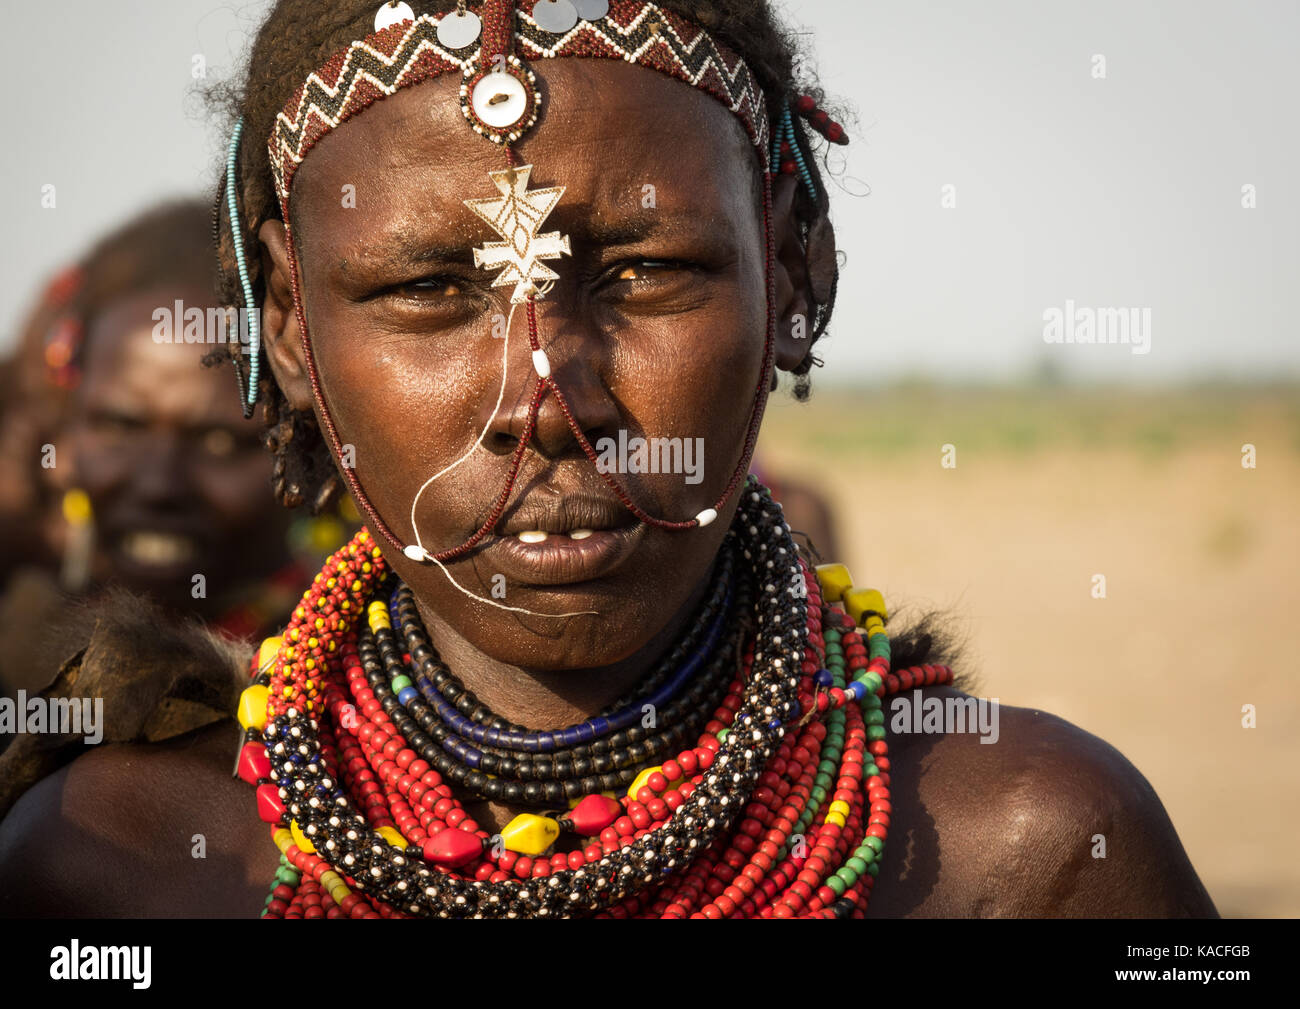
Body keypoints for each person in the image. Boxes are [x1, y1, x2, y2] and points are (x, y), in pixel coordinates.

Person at [0, 0, 1216, 918]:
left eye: (645, 272)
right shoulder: (122, 866)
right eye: (427, 287)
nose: (546, 397)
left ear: (797, 276)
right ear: (290, 332)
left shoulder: (1029, 848)